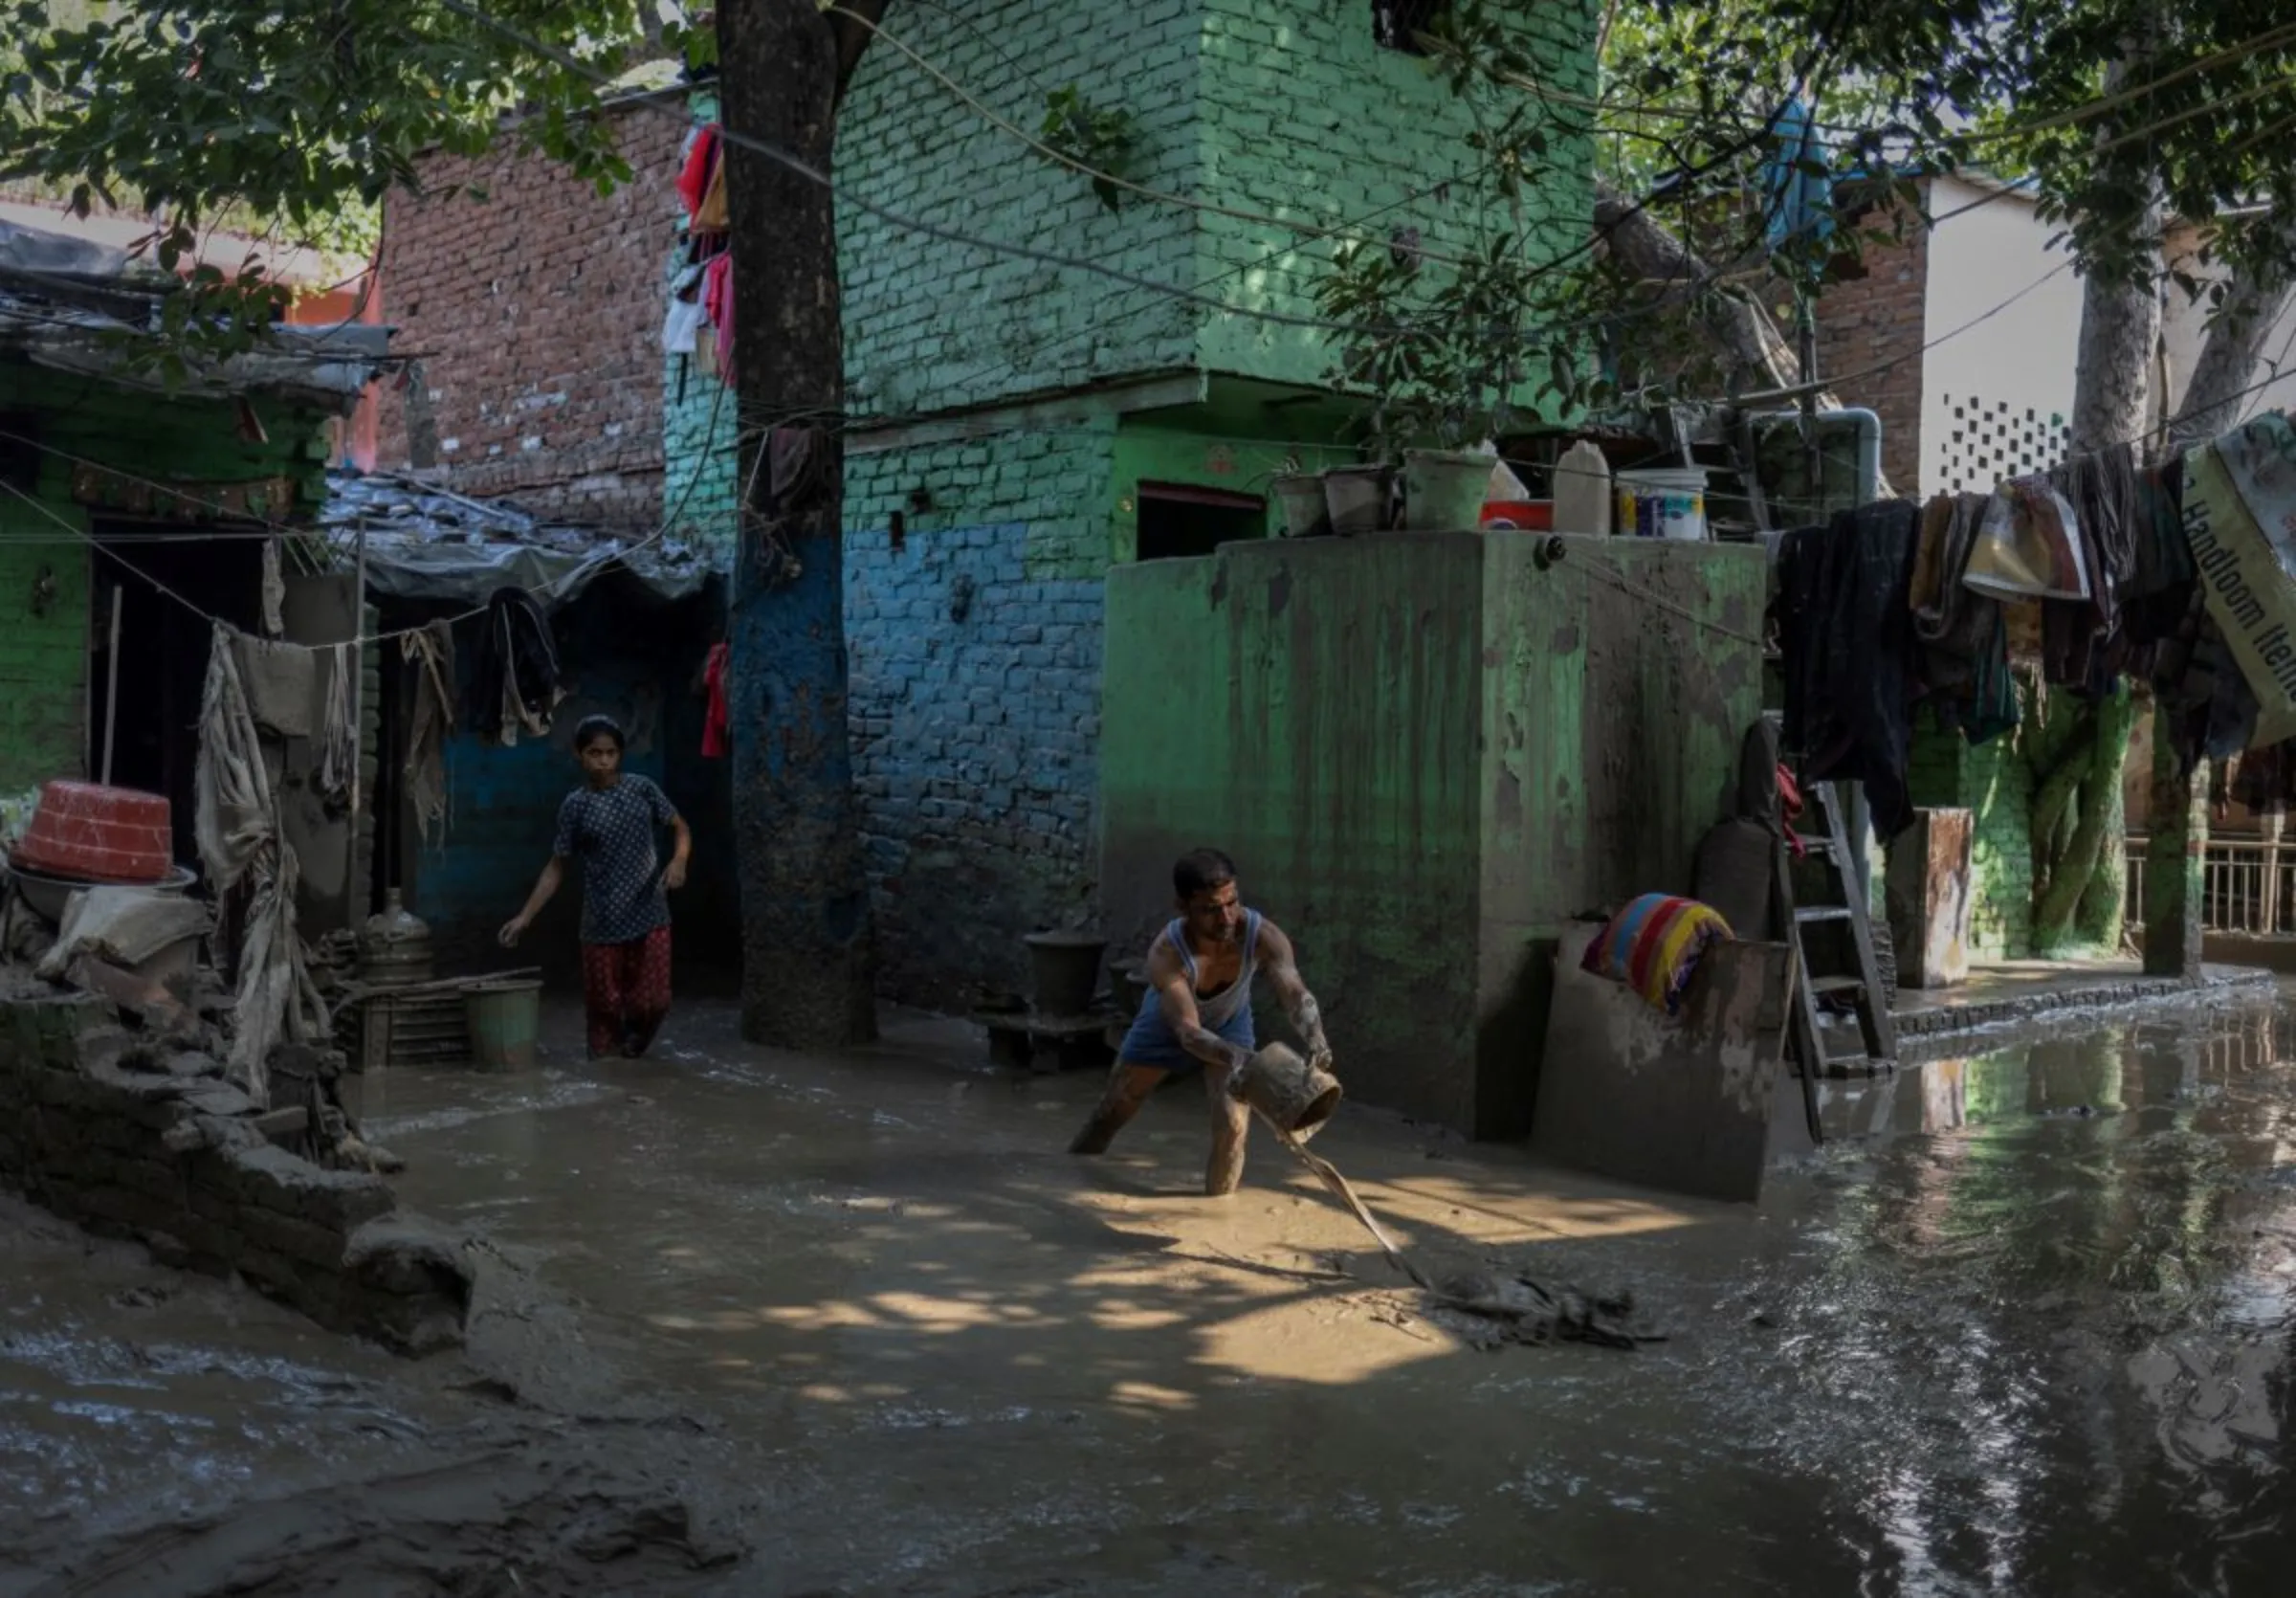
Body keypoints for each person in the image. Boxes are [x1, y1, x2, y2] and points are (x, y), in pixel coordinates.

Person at [1070, 848, 1334, 1195]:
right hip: (1169, 1024)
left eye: (1232, 903)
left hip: (1231, 1022)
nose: (1225, 919)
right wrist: (1238, 1058)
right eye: (1210, 910)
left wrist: (1315, 1036)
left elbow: (1295, 993)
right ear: (1183, 907)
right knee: (1115, 1108)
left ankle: (1218, 1209)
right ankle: (1070, 1178)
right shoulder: (1167, 951)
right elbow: (1189, 1033)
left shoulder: (1263, 935)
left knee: (1233, 1128)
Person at [498, 715, 692, 1059]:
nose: (603, 761)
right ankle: (607, 1077)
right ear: (579, 755)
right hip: (602, 922)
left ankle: (634, 1050)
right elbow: (557, 866)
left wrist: (678, 862)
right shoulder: (576, 806)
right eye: (594, 753)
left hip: (650, 913)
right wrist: (525, 917)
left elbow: (681, 827)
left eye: (610, 753)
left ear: (620, 754)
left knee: (655, 1000)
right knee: (604, 1007)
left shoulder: (642, 789)